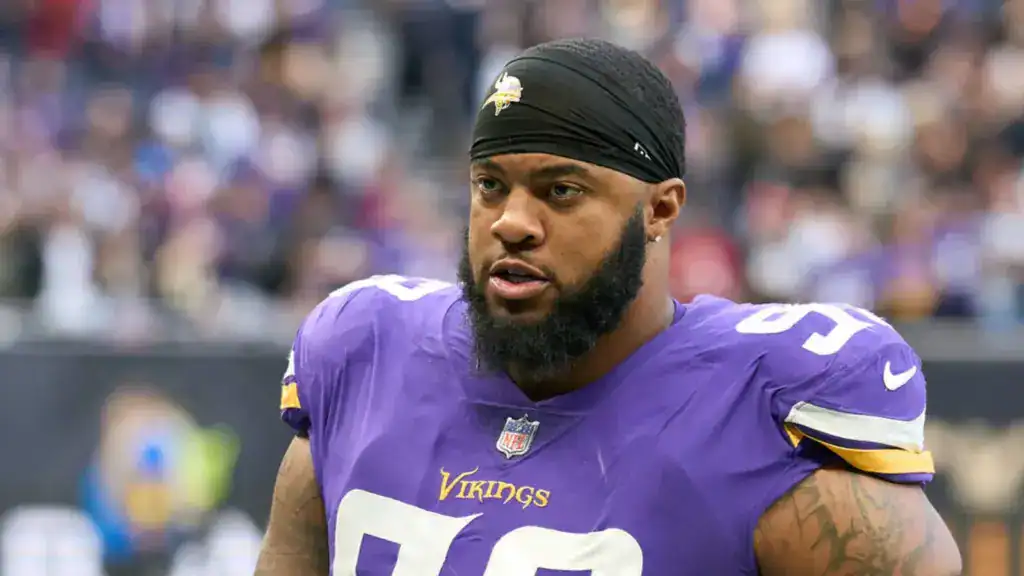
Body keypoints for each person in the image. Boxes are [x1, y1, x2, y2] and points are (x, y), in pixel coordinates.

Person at [255, 38, 962, 575]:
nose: (512, 222)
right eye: (490, 186)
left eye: (560, 191)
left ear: (661, 208)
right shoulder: (366, 356)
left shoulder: (762, 413)